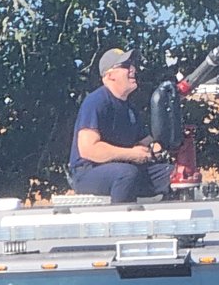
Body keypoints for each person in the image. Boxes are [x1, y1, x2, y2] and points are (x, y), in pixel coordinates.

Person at [68, 47, 172, 203]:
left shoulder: (130, 109)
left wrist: (163, 146)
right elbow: (88, 149)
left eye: (132, 65)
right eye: (125, 66)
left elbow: (148, 143)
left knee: (173, 175)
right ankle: (121, 222)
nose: (133, 69)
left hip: (126, 169)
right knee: (126, 174)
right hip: (87, 173)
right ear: (109, 76)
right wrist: (132, 154)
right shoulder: (96, 102)